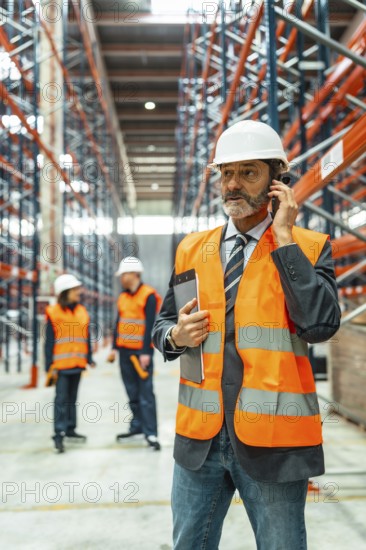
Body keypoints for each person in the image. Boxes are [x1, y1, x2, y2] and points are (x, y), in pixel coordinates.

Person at [152, 120, 341, 550]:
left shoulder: (308, 248)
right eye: (226, 173)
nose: (232, 185)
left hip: (273, 443)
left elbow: (321, 325)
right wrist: (176, 336)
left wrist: (286, 237)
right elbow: (162, 327)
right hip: (199, 440)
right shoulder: (191, 249)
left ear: (277, 182)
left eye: (248, 173)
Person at [107, 257, 162, 451]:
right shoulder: (123, 297)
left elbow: (150, 326)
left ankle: (151, 432)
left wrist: (146, 352)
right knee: (131, 392)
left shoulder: (148, 296)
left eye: (124, 274)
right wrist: (114, 347)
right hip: (124, 352)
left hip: (140, 354)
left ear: (134, 274)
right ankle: (137, 426)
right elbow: (119, 323)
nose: (121, 278)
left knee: (145, 393)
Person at [45, 274, 95, 454]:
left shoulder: (82, 310)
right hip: (61, 365)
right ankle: (59, 433)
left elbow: (86, 335)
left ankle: (70, 429)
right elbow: (49, 341)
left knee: (72, 398)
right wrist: (48, 366)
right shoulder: (53, 312)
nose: (78, 292)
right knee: (61, 400)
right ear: (65, 292)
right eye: (74, 290)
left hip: (78, 363)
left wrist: (89, 357)